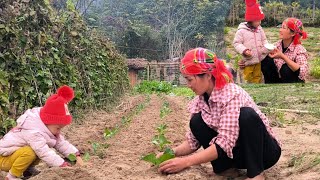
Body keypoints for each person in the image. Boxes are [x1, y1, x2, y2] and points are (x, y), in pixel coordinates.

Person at [158, 48, 281, 180]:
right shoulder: (200, 101)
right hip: (238, 154)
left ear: (207, 75)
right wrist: (171, 153)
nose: (188, 85)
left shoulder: (231, 94)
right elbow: (193, 142)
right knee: (196, 122)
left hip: (263, 153)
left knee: (247, 115)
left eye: (189, 80)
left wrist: (186, 162)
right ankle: (226, 169)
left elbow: (225, 142)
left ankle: (256, 174)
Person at [0, 85, 84, 180]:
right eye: (58, 128)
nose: (59, 131)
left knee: (36, 148)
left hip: (14, 155)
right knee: (33, 151)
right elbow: (44, 153)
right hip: (4, 158)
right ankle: (12, 176)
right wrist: (62, 164)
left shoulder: (48, 128)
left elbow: (61, 143)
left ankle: (28, 170)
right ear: (48, 121)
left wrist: (76, 155)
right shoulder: (33, 131)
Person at [258, 18, 308, 83]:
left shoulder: (299, 49)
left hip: (293, 82)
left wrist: (282, 56)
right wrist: (246, 61)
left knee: (286, 68)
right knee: (265, 59)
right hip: (278, 80)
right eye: (281, 27)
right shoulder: (276, 46)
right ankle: (271, 87)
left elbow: (302, 71)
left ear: (292, 33)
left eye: (283, 28)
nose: (280, 30)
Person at [233, 0, 269, 83]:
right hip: (248, 61)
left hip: (258, 59)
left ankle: (257, 88)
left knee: (257, 76)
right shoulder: (241, 31)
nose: (259, 23)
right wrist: (244, 50)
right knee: (247, 77)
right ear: (250, 20)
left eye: (260, 20)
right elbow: (236, 43)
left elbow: (264, 40)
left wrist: (266, 47)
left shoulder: (260, 29)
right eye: (257, 20)